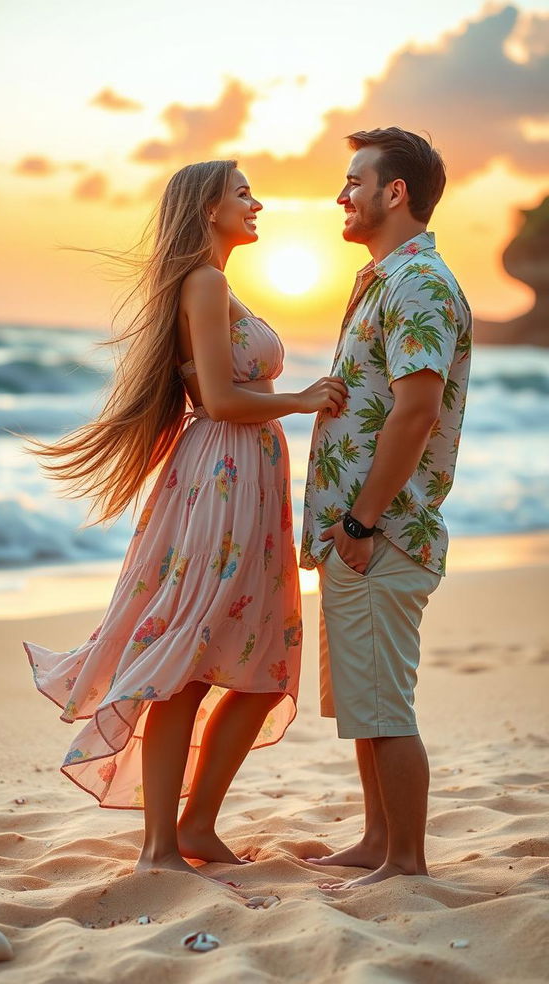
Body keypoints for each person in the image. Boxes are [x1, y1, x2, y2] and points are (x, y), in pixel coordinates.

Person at [23, 159, 347, 878]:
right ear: (207, 208)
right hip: (223, 481)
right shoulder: (206, 284)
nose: (256, 203)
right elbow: (225, 403)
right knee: (191, 664)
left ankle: (196, 825)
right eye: (242, 193)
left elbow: (227, 391)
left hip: (245, 483)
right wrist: (298, 400)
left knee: (258, 669)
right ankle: (160, 845)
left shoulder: (218, 285)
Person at [301, 128, 472, 888]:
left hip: (384, 532)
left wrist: (363, 523)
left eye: (353, 180)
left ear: (393, 192)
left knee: (387, 705)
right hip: (360, 534)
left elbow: (417, 411)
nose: (342, 195)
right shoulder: (383, 279)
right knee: (366, 702)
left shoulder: (419, 284)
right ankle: (378, 841)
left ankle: (404, 859)